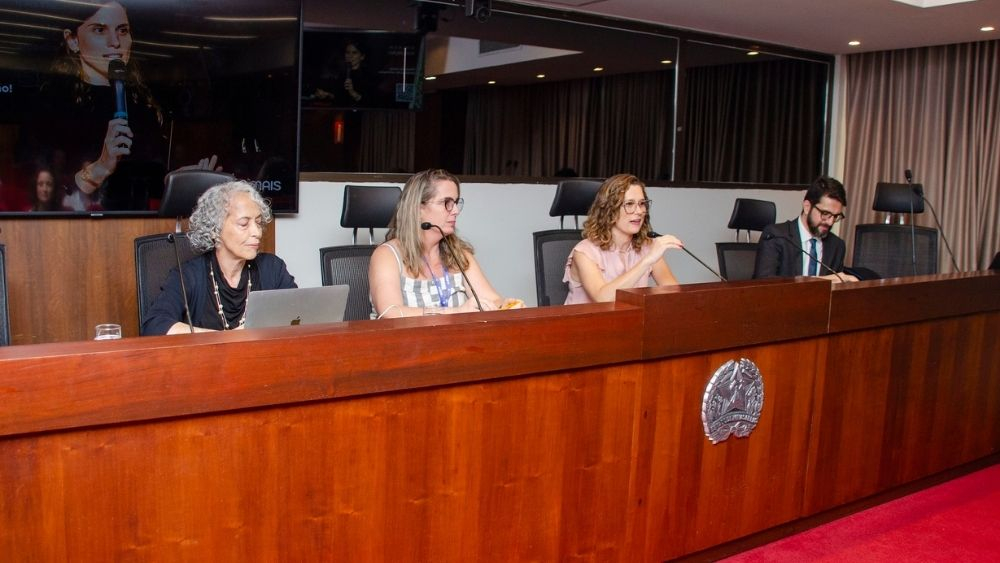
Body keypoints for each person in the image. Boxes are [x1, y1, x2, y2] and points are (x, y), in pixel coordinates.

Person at [42, 1, 218, 212]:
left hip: (136, 222)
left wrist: (177, 179)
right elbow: (51, 191)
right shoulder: (53, 103)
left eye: (122, 31)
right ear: (72, 40)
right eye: (99, 30)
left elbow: (149, 184)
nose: (115, 42)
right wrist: (102, 165)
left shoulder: (143, 104)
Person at [141, 181, 297, 335]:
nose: (257, 232)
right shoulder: (188, 276)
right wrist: (225, 339)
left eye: (258, 222)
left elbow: (298, 317)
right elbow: (154, 325)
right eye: (244, 224)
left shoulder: (273, 268)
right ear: (215, 230)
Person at [368, 169, 520, 317]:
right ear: (418, 208)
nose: (455, 211)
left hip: (456, 341)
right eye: (446, 202)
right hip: (406, 342)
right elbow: (390, 312)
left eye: (455, 202)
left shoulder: (458, 254)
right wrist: (456, 312)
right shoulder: (386, 255)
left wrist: (507, 306)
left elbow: (492, 300)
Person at [563, 173, 683, 304]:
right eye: (630, 204)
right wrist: (647, 261)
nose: (639, 211)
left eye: (642, 203)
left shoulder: (648, 247)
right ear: (610, 210)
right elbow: (603, 298)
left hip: (628, 322)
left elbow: (674, 294)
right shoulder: (584, 252)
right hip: (585, 323)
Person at [752, 175, 858, 282]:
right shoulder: (776, 235)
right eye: (825, 214)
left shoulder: (837, 246)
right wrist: (822, 280)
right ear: (807, 207)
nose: (830, 222)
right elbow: (764, 282)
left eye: (836, 216)